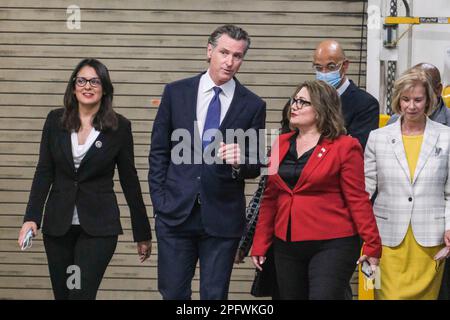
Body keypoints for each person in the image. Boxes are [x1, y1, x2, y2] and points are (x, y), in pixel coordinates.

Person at [17, 58, 152, 300]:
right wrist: (31, 217)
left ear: (105, 88)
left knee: (80, 294)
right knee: (64, 294)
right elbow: (44, 171)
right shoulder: (54, 121)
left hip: (99, 228)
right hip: (58, 226)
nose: (87, 86)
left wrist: (142, 233)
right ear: (73, 86)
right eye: (81, 80)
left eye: (94, 81)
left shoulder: (119, 127)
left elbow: (129, 181)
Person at [149, 24, 266, 300]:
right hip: (176, 214)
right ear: (209, 51)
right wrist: (160, 201)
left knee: (214, 296)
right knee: (173, 293)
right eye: (224, 52)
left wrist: (241, 161)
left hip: (222, 217)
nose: (230, 61)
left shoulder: (252, 105)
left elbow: (257, 162)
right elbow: (158, 152)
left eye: (237, 56)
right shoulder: (176, 93)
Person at [251, 80, 381, 300]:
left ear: (322, 109)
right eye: (294, 100)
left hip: (332, 243)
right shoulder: (281, 143)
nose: (295, 106)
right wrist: (260, 243)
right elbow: (270, 197)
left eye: (303, 102)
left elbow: (357, 199)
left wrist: (372, 243)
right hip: (286, 244)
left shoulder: (345, 146)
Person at [365, 68, 450, 300]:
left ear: (429, 100)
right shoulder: (377, 137)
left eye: (418, 100)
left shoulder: (447, 137)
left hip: (430, 241)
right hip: (385, 240)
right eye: (405, 99)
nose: (411, 106)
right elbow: (366, 189)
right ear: (397, 100)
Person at [313, 40, 379, 149]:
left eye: (331, 67)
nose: (324, 73)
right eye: (319, 68)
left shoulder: (365, 104)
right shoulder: (307, 100)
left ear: (345, 65)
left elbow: (355, 148)